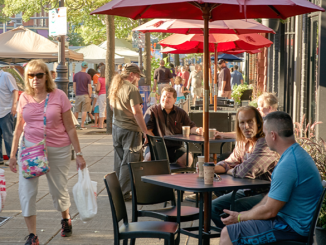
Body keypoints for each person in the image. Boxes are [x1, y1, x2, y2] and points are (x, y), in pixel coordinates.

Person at [8, 59, 87, 245]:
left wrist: (79, 153)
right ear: (27, 78)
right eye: (31, 75)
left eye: (39, 75)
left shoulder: (59, 96)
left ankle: (65, 218)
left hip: (57, 149)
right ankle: (32, 236)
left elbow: (70, 127)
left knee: (58, 190)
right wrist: (12, 155)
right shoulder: (23, 97)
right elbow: (18, 128)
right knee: (26, 192)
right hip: (29, 150)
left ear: (46, 76)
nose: (35, 79)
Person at [219, 111, 323, 245]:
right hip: (289, 221)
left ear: (273, 135)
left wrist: (239, 217)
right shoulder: (294, 154)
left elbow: (270, 211)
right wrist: (245, 216)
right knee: (235, 227)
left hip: (292, 229)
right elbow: (269, 198)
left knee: (228, 233)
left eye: (265, 133)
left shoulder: (289, 164)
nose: (264, 137)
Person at [211, 106, 279, 228]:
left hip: (269, 194)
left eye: (250, 122)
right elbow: (231, 161)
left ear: (258, 123)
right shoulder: (243, 141)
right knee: (212, 207)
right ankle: (233, 237)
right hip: (249, 190)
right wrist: (211, 168)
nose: (246, 126)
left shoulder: (265, 142)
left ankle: (238, 236)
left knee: (234, 207)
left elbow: (246, 170)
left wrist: (231, 170)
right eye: (242, 122)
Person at [109, 63, 148, 201]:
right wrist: (145, 131)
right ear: (131, 75)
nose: (138, 78)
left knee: (119, 160)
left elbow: (112, 107)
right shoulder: (131, 88)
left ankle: (116, 191)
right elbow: (137, 112)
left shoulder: (116, 86)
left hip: (116, 127)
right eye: (137, 75)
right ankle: (124, 193)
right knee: (129, 161)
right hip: (130, 129)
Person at [144, 87, 203, 167]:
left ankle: (174, 178)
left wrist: (197, 130)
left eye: (169, 97)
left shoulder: (181, 113)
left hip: (176, 147)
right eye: (164, 96)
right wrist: (156, 144)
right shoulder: (152, 110)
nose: (165, 99)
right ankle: (147, 178)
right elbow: (148, 130)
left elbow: (191, 127)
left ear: (175, 100)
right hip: (157, 145)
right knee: (149, 157)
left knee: (188, 159)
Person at [0, 69, 19, 165]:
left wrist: (14, 105)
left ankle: (13, 157)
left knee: (8, 136)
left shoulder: (5, 76)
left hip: (6, 111)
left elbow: (15, 90)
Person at [73, 61, 92, 129]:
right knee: (84, 110)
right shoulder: (88, 76)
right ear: (86, 67)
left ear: (81, 66)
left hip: (78, 95)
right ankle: (82, 125)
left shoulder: (76, 75)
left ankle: (74, 125)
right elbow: (89, 87)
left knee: (76, 110)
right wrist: (90, 96)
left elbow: (74, 86)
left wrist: (76, 94)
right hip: (85, 95)